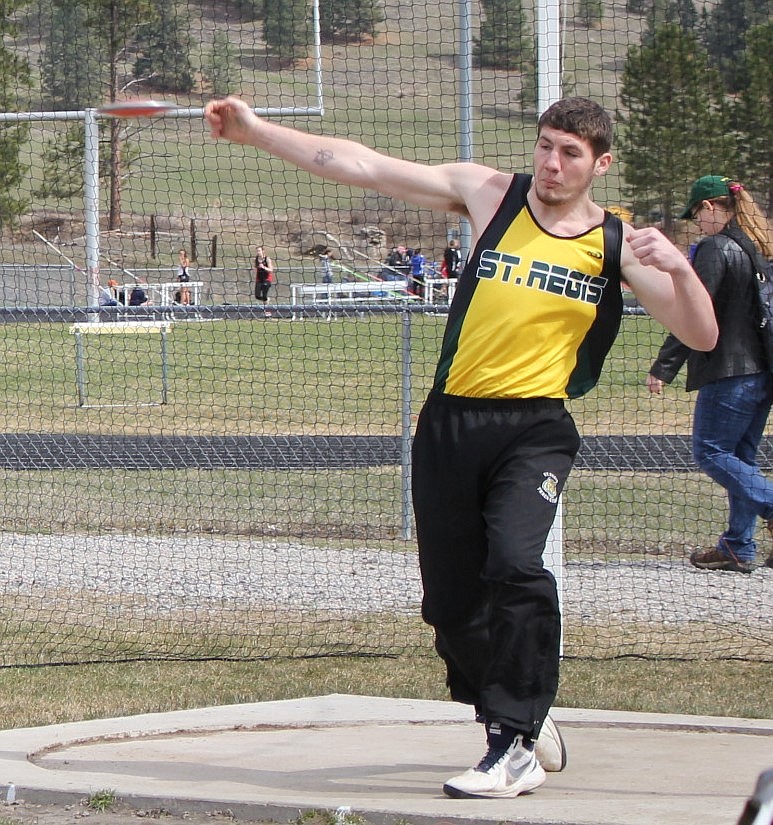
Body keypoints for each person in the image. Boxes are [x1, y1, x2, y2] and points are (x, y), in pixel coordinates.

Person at [203, 95, 717, 800]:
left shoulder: (615, 243)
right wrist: (257, 132)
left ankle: (511, 741)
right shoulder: (490, 194)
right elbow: (363, 165)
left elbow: (700, 336)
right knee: (449, 608)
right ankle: (523, 717)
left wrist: (682, 270)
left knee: (514, 561)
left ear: (600, 164)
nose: (551, 163)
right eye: (544, 146)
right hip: (449, 424)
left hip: (533, 427)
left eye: (569, 154)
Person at [647, 176, 773, 574]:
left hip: (730, 371)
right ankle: (738, 546)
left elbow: (694, 311)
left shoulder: (717, 248)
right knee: (741, 460)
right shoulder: (758, 248)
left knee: (711, 452)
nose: (697, 224)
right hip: (762, 374)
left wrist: (663, 367)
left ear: (711, 207)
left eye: (698, 214)